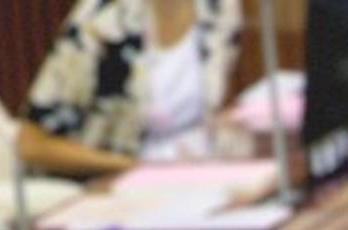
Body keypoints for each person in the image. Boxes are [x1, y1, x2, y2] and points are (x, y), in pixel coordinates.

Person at [17, 0, 242, 177]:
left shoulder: (220, 10)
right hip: (114, 186)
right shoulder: (102, 20)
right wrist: (135, 168)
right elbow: (31, 146)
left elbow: (208, 108)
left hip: (197, 173)